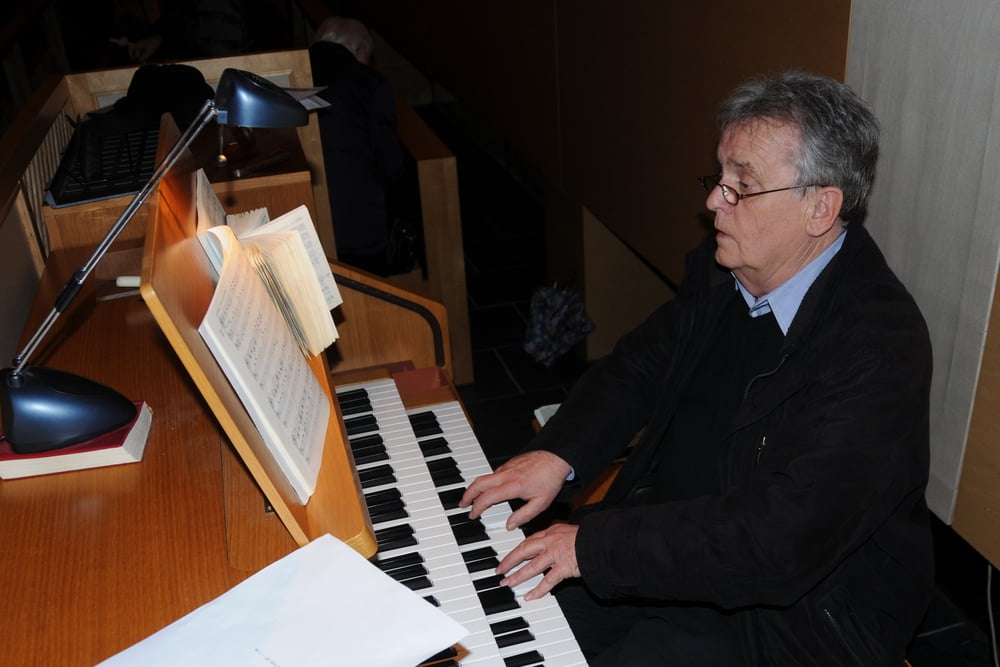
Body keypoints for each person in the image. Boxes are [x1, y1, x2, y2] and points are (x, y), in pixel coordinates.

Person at [460, 70, 934, 666]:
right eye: (720, 178)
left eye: (743, 185)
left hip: (794, 614)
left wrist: (593, 549)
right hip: (673, 545)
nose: (714, 201)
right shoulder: (725, 273)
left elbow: (782, 540)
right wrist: (560, 453)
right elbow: (639, 367)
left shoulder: (879, 346)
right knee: (487, 624)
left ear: (820, 207)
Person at [308, 16, 409, 276]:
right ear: (361, 50)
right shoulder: (369, 82)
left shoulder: (287, 74)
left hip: (302, 220)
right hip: (357, 225)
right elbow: (390, 163)